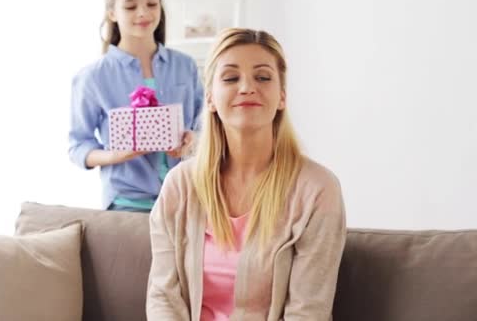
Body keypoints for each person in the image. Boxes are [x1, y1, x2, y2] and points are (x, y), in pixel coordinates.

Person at [147, 28, 347, 320]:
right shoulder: (180, 186)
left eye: (263, 77)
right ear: (211, 99)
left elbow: (308, 311)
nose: (246, 87)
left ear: (281, 97)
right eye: (230, 78)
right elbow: (162, 296)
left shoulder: (318, 189)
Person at [69, 0, 204, 213]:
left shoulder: (185, 66)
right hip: (127, 204)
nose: (143, 13)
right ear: (112, 12)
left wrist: (192, 141)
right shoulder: (93, 77)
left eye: (152, 4)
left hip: (187, 200)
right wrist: (115, 155)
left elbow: (207, 127)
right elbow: (78, 146)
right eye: (130, 7)